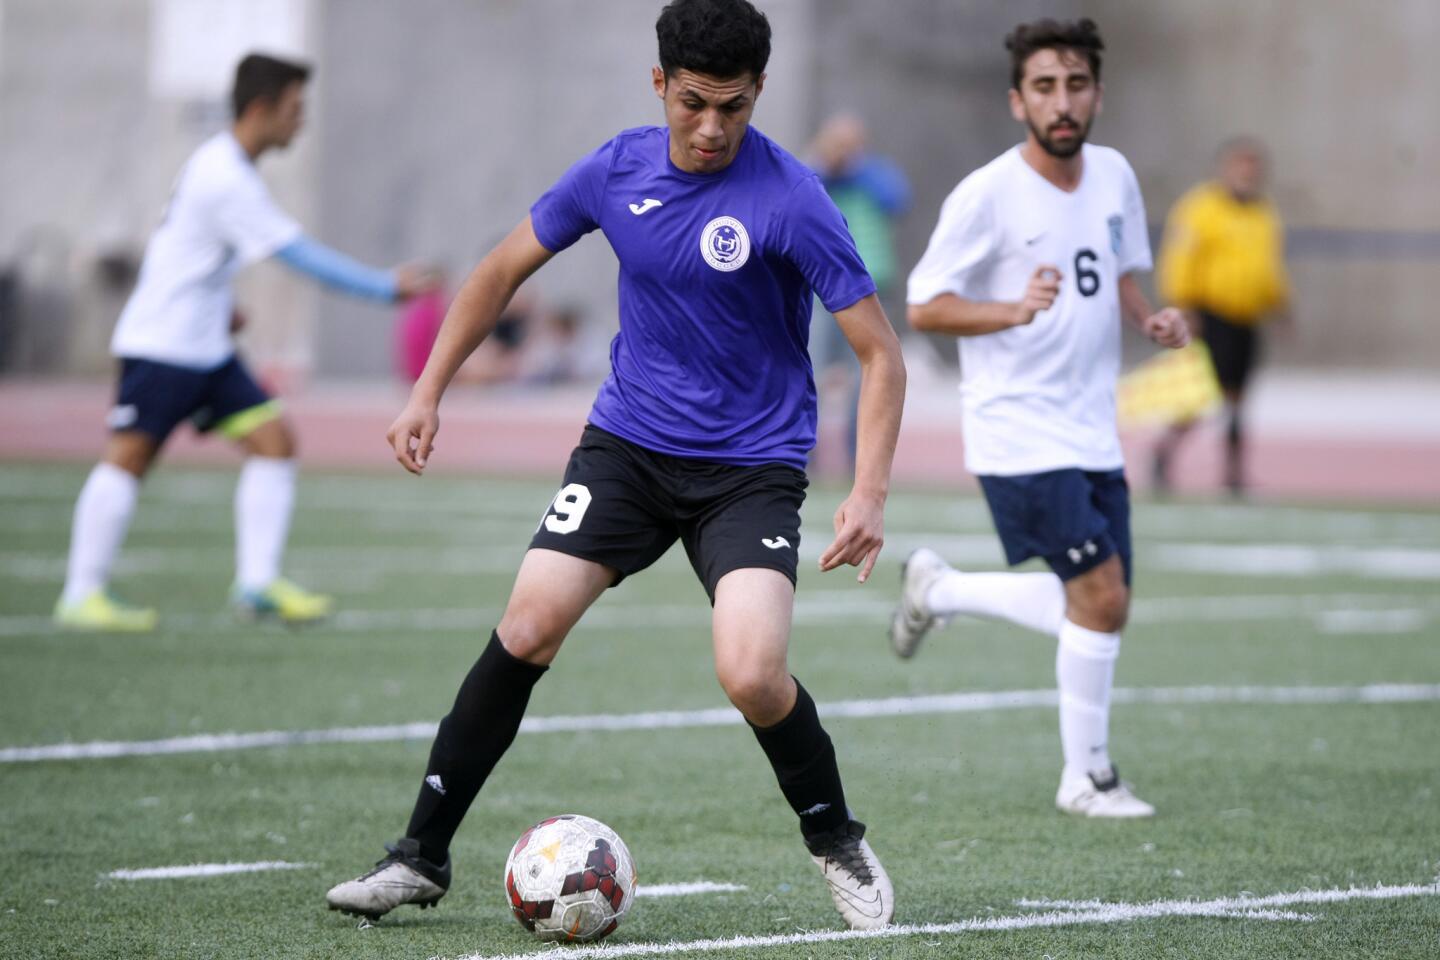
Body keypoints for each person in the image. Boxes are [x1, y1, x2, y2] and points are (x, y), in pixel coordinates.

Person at [324, 0, 905, 931]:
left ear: (758, 95)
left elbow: (881, 354)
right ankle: (418, 857)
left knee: (752, 674)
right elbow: (501, 268)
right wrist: (429, 388)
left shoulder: (792, 197)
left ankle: (835, 836)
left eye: (735, 107)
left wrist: (868, 490)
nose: (712, 127)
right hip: (627, 449)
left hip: (750, 467)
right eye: (693, 103)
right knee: (526, 627)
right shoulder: (615, 168)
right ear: (658, 85)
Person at [891, 18, 1189, 818]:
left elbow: (1120, 271)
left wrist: (1149, 319)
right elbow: (924, 306)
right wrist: (1012, 310)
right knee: (1098, 595)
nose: (1064, 102)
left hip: (1093, 424)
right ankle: (1085, 779)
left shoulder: (1116, 174)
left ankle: (942, 590)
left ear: (1097, 92)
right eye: (1046, 88)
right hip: (1016, 427)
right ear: (1018, 102)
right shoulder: (987, 194)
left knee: (1103, 601)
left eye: (1077, 84)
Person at [53, 53, 433, 631]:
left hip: (205, 346)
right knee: (128, 460)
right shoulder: (224, 175)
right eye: (294, 110)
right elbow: (295, 253)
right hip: (164, 345)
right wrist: (384, 287)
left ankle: (257, 584)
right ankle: (81, 594)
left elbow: (187, 251)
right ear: (261, 109)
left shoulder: (228, 167)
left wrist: (221, 308)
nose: (300, 122)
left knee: (275, 441)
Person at [1153, 137, 1292, 495]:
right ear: (1224, 168)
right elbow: (1181, 259)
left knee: (1238, 397)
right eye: (1240, 165)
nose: (1247, 173)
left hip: (1247, 317)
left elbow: (1269, 267)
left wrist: (1279, 306)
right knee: (1203, 394)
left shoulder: (1263, 213)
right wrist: (1184, 306)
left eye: (1253, 166)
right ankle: (1164, 453)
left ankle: (1233, 471)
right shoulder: (1201, 209)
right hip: (1211, 314)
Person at [806, 113, 911, 472]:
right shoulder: (815, 175)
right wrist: (827, 165)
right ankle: (805, 455)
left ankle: (858, 457)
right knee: (810, 372)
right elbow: (796, 194)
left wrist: (855, 168)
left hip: (872, 289)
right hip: (821, 292)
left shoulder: (874, 175)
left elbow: (897, 198)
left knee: (868, 376)